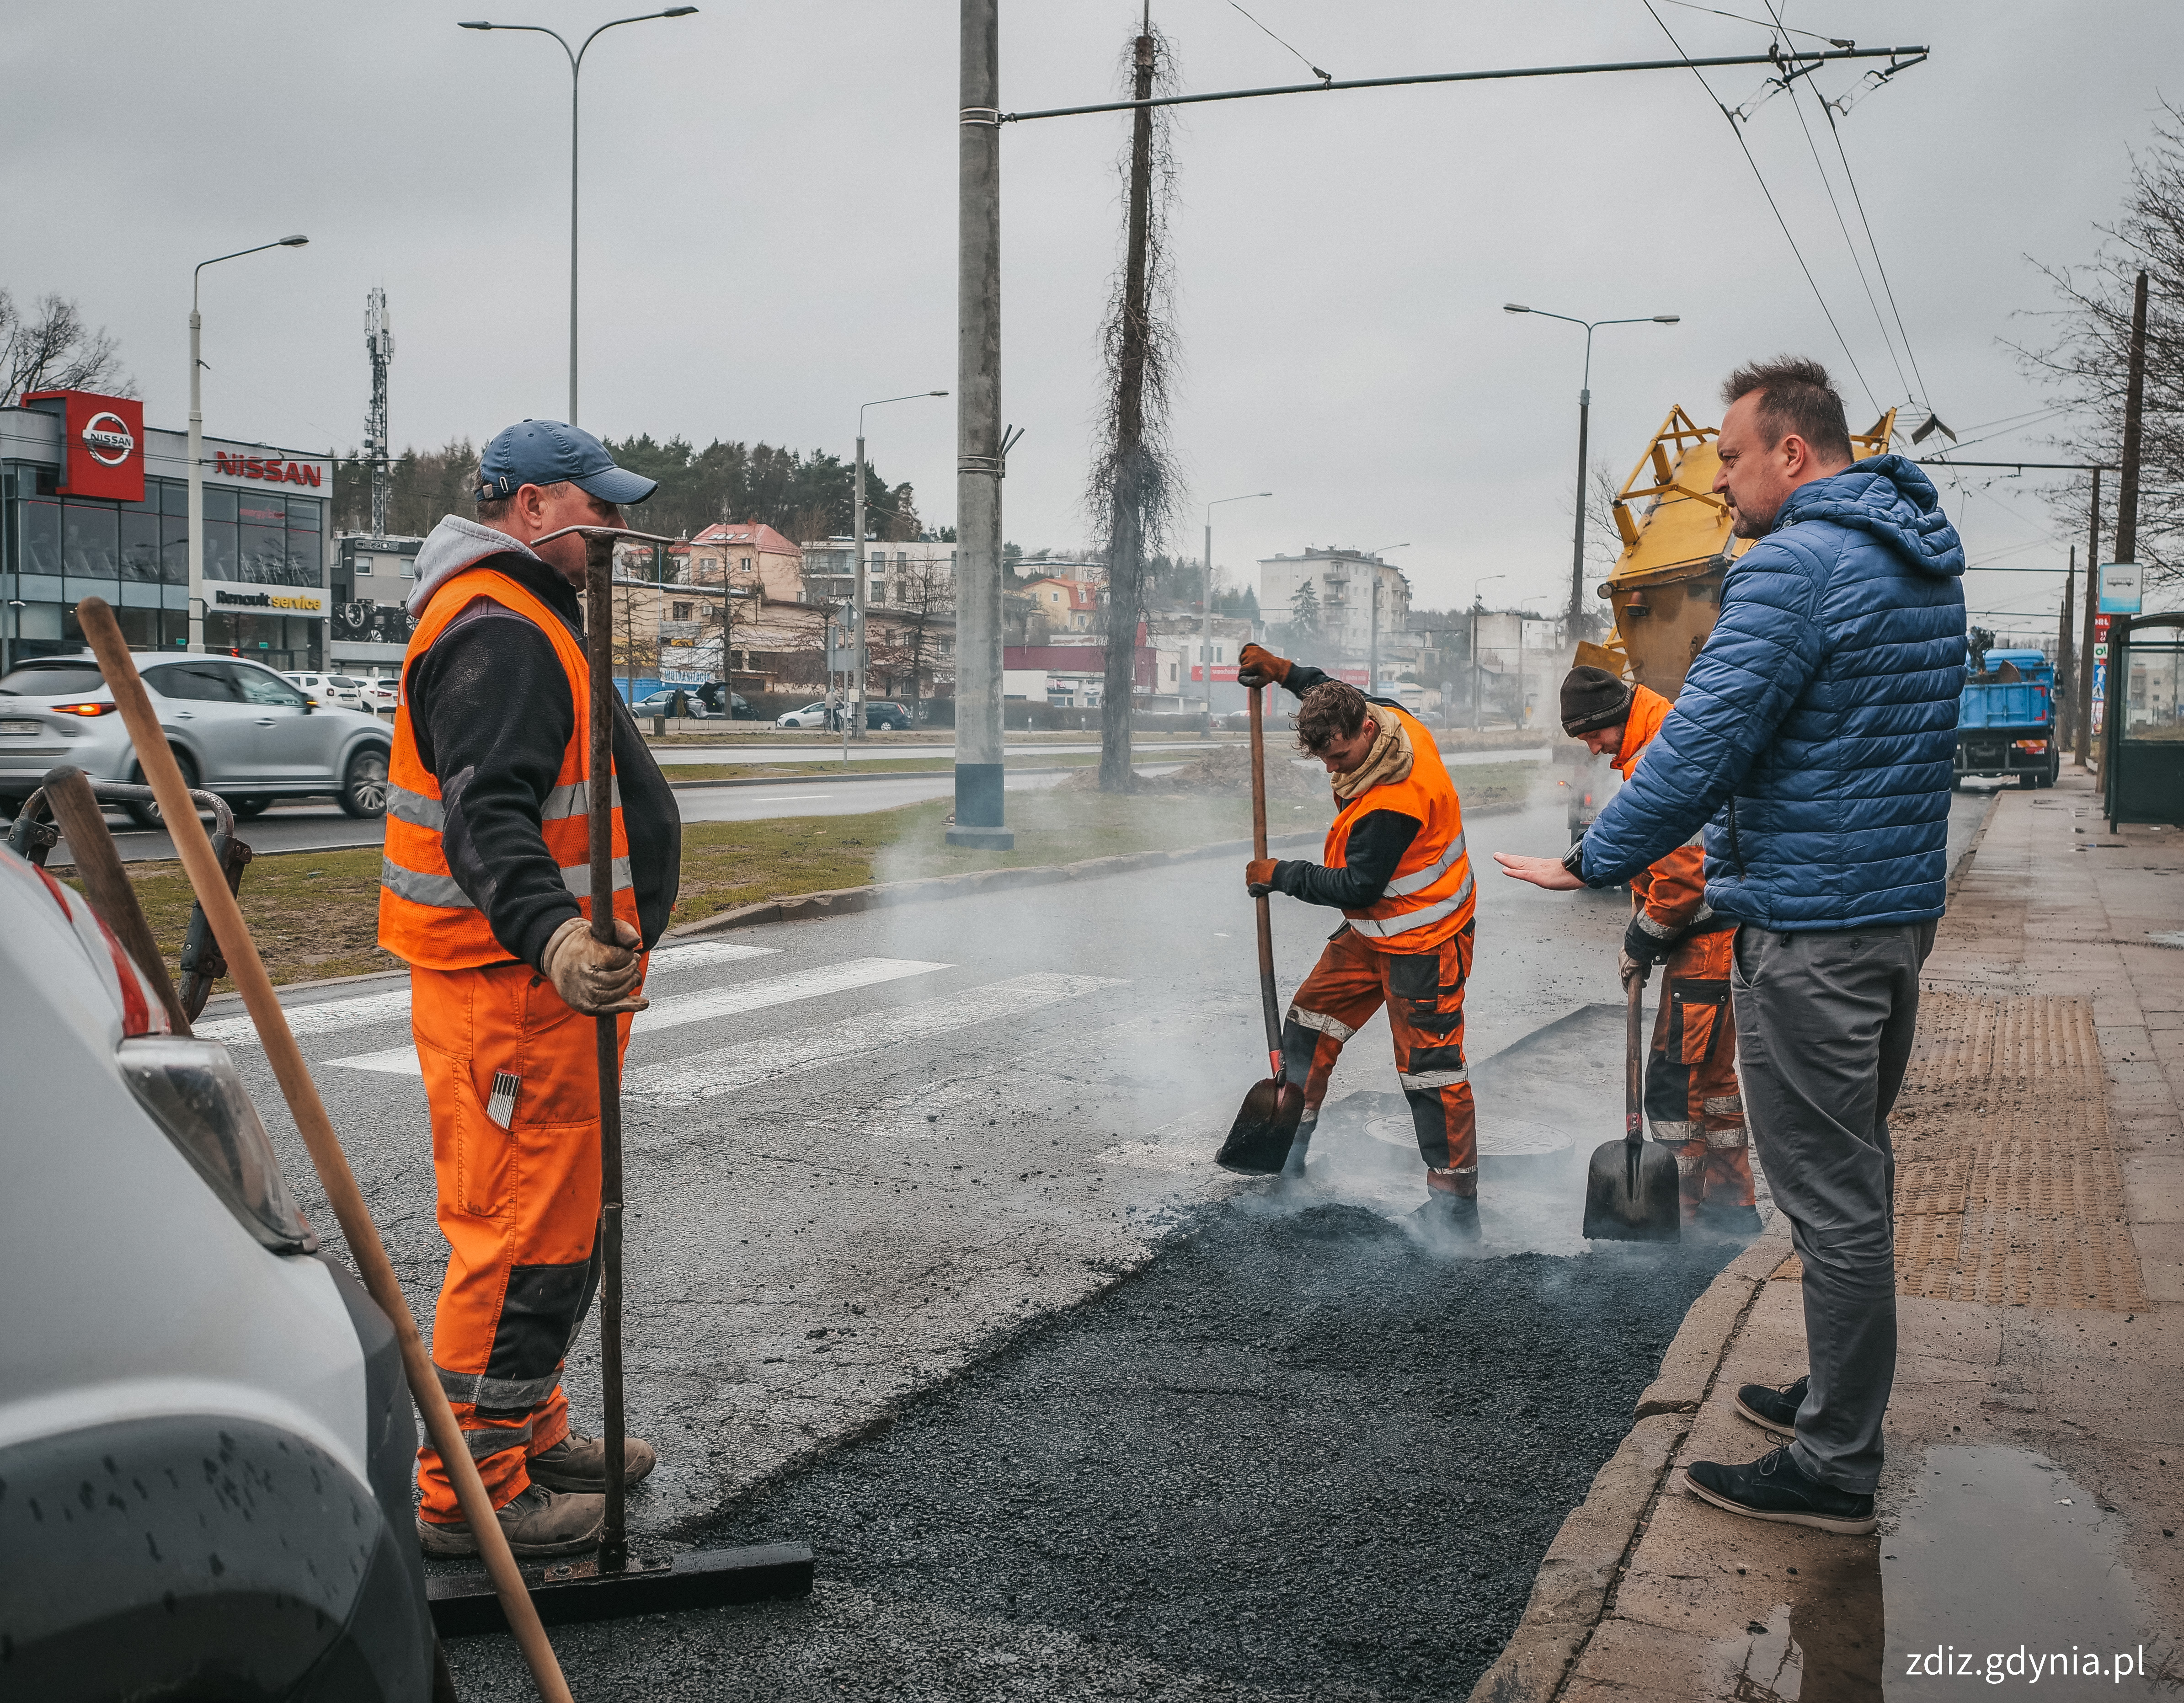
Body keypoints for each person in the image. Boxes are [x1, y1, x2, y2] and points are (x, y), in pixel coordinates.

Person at [1498, 357, 1965, 1536]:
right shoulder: (1918, 561)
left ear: (1791, 454)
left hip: (1812, 929)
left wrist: (1591, 864)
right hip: (1891, 917)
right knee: (1845, 1175)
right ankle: (1834, 1398)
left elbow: (1696, 751)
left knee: (1830, 1196)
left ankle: (1834, 1466)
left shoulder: (1794, 567)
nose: (1719, 477)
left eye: (1730, 456)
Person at [378, 419, 683, 1560]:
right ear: (531, 507)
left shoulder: (533, 616)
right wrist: (554, 937)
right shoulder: (497, 631)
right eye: (596, 505)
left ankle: (530, 1429)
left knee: (559, 1232)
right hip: (509, 989)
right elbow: (483, 814)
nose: (612, 524)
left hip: (549, 995)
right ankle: (469, 1491)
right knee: (513, 1243)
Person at [1234, 646, 1483, 1241]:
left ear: (1365, 732)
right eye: (1321, 757)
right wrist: (1282, 671)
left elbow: (1359, 884)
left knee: (1429, 1069)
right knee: (1307, 1026)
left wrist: (1280, 874)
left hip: (1425, 938)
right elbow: (1326, 686)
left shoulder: (1393, 802)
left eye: (1338, 754)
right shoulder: (1381, 715)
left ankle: (1454, 1206)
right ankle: (1288, 1159)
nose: (1331, 768)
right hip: (1370, 933)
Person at [1559, 664, 1757, 1233]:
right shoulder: (1668, 736)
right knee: (1714, 1080)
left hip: (1707, 942)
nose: (1594, 749)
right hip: (1719, 937)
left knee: (1672, 1083)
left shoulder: (1658, 758)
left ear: (1613, 719)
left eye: (1592, 735)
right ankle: (1732, 1203)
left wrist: (1641, 939)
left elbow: (1682, 878)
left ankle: (1677, 1212)